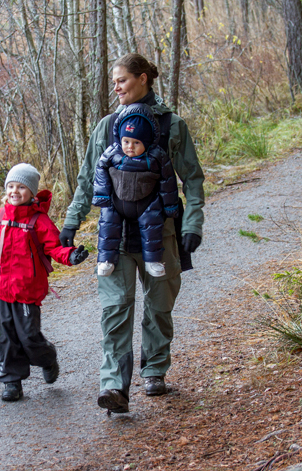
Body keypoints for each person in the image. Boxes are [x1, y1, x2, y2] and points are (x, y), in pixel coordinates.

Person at [59, 53, 205, 414]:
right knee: (115, 309)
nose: (116, 87)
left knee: (159, 307)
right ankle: (114, 385)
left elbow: (194, 178)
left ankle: (154, 370)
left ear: (143, 79)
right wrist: (71, 223)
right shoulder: (107, 127)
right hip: (115, 240)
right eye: (114, 81)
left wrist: (192, 224)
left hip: (163, 237)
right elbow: (86, 181)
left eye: (122, 80)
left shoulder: (172, 125)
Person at [0, 163, 89, 401]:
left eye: (21, 187)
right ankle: (12, 382)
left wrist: (71, 255)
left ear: (32, 192)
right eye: (11, 186)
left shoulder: (39, 221)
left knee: (29, 336)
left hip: (27, 290)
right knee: (5, 336)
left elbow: (54, 248)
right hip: (2, 289)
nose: (15, 191)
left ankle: (47, 357)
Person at [92, 102, 180, 279]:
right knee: (108, 224)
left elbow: (168, 181)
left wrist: (170, 206)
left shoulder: (156, 155)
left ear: (146, 142)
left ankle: (153, 260)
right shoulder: (113, 153)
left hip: (147, 202)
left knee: (152, 226)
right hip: (117, 201)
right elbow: (100, 169)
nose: (130, 147)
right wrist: (101, 195)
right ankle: (106, 259)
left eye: (136, 142)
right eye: (126, 141)